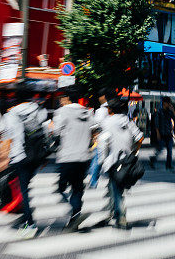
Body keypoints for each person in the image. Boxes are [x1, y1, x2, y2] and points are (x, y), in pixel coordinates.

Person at [0, 86, 48, 236]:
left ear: (16, 97)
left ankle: (29, 222)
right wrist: (43, 156)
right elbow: (44, 132)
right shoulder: (39, 111)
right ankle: (24, 211)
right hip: (37, 155)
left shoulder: (11, 114)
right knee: (23, 186)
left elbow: (7, 139)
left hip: (20, 155)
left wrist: (2, 159)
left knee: (23, 189)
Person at [52, 89, 94, 231]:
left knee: (61, 187)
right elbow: (94, 131)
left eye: (62, 98)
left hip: (67, 156)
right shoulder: (87, 112)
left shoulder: (63, 112)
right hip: (84, 157)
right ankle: (75, 217)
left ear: (68, 98)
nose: (60, 101)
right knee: (77, 188)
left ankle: (75, 212)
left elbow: (56, 132)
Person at [99, 98, 143, 228]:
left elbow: (103, 142)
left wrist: (102, 161)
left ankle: (120, 215)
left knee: (116, 190)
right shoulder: (127, 121)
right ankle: (114, 212)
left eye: (108, 108)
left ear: (110, 109)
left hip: (113, 161)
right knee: (117, 189)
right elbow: (140, 137)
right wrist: (134, 151)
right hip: (127, 161)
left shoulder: (107, 122)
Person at [88, 92, 109, 189]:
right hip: (111, 138)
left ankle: (93, 182)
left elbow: (96, 124)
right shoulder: (111, 108)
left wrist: (93, 135)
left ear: (103, 96)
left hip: (102, 138)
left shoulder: (101, 111)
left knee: (97, 159)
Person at [149, 97, 175, 171]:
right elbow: (156, 123)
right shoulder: (159, 112)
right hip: (161, 134)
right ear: (164, 103)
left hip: (168, 133)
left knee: (169, 151)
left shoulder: (169, 112)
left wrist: (173, 110)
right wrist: (158, 133)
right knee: (160, 149)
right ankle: (153, 159)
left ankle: (168, 165)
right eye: (168, 103)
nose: (169, 104)